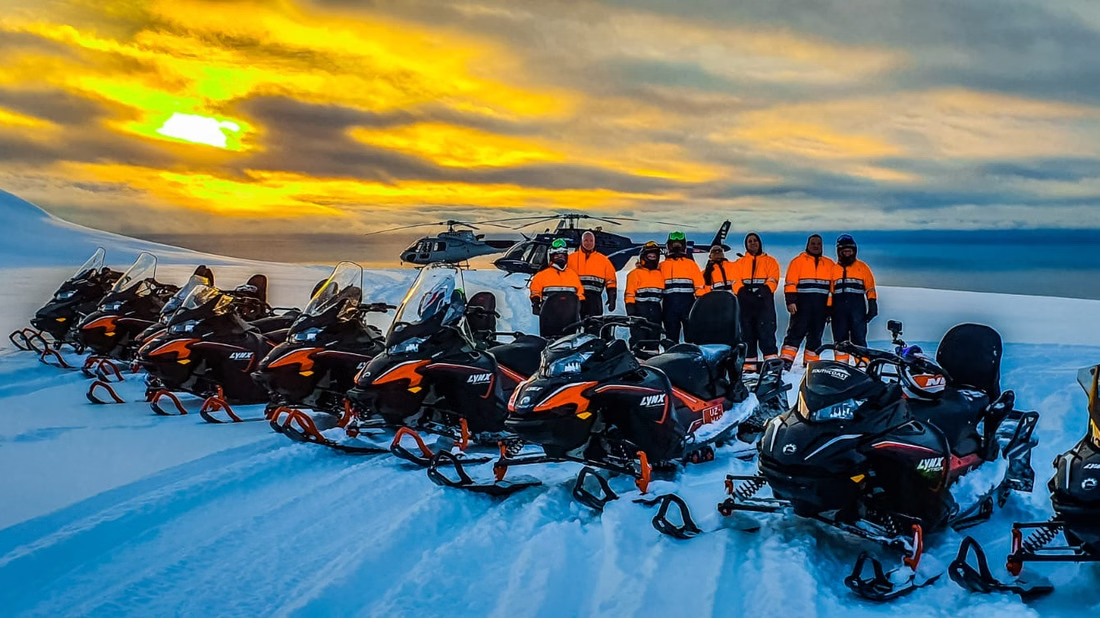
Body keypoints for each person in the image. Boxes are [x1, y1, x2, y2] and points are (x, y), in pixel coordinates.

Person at [780, 234, 834, 369]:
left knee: (816, 336)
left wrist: (829, 309)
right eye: (813, 243)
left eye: (818, 244)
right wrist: (790, 302)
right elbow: (790, 283)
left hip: (821, 307)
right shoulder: (797, 262)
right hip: (801, 306)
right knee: (794, 334)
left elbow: (832, 290)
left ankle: (811, 363)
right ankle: (786, 362)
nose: (816, 246)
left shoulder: (830, 264)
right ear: (808, 245)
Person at [730, 233, 781, 372]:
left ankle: (772, 367)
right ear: (746, 244)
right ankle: (749, 368)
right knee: (747, 334)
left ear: (759, 243)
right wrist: (742, 292)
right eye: (750, 241)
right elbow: (735, 280)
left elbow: (773, 279)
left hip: (764, 302)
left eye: (755, 241)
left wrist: (762, 292)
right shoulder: (739, 263)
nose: (753, 243)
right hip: (745, 302)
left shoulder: (770, 261)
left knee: (767, 333)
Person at [829, 234, 878, 364]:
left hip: (857, 308)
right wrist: (828, 309)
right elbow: (830, 292)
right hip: (838, 309)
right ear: (839, 252)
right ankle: (841, 365)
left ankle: (863, 366)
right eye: (844, 251)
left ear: (854, 251)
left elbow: (870, 288)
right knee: (840, 341)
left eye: (849, 251)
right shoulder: (833, 269)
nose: (847, 254)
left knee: (859, 339)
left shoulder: (862, 267)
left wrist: (872, 304)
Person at [529, 238, 585, 337]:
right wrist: (535, 303)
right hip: (550, 318)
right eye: (557, 255)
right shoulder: (541, 275)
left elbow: (580, 295)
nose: (560, 257)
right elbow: (535, 291)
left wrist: (582, 308)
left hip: (570, 319)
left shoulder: (573, 275)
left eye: (563, 255)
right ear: (551, 256)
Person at [660, 230, 706, 342]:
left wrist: (701, 303)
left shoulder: (690, 264)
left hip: (688, 304)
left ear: (684, 246)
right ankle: (671, 358)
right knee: (671, 338)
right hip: (669, 305)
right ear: (668, 246)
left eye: (679, 245)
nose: (677, 248)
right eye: (674, 245)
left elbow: (700, 286)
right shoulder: (662, 266)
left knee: (691, 337)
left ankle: (691, 357)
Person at [567, 231, 618, 318]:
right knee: (573, 325)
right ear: (581, 241)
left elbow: (611, 281)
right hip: (574, 299)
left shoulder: (603, 260)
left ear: (594, 242)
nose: (588, 243)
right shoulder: (570, 259)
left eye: (591, 240)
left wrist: (612, 298)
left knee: (594, 325)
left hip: (594, 300)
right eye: (586, 240)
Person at [624, 241, 665, 351]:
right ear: (643, 256)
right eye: (649, 255)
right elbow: (629, 294)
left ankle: (652, 363)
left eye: (654, 256)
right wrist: (631, 311)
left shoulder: (660, 274)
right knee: (637, 341)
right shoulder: (634, 274)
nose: (652, 258)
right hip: (639, 312)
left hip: (656, 313)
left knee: (654, 342)